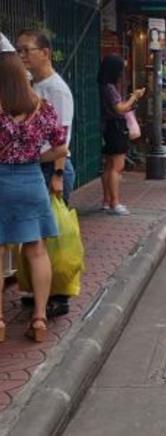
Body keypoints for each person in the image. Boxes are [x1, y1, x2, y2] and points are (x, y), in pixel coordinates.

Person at [0, 32, 69, 342]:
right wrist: (34, 157)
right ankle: (40, 318)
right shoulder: (40, 106)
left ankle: (0, 322)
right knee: (37, 250)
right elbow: (61, 147)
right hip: (31, 180)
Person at [16, 30, 75, 205]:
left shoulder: (57, 89)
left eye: (27, 50)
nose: (22, 56)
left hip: (51, 167)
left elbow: (62, 137)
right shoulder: (31, 83)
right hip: (35, 164)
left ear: (45, 52)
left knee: (50, 227)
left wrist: (58, 175)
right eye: (19, 51)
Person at [98, 54, 146, 216]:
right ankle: (115, 202)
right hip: (115, 127)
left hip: (108, 126)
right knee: (116, 167)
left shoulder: (104, 86)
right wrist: (134, 97)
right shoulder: (110, 88)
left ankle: (106, 200)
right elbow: (120, 108)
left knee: (109, 165)